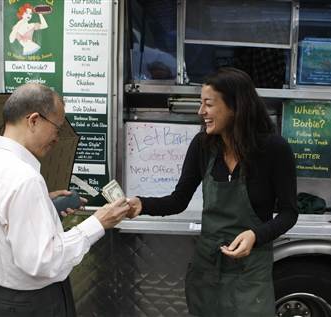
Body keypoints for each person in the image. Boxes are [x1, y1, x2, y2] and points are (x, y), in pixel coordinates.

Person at [127, 67, 298, 316]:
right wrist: (142, 204)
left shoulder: (274, 149)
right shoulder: (202, 146)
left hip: (250, 271)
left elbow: (289, 213)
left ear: (235, 106)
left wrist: (255, 235)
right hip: (207, 267)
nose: (201, 112)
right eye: (201, 104)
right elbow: (179, 200)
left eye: (208, 104)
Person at [0, 83, 130, 317]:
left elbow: (3, 222)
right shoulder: (24, 178)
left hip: (2, 298)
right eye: (57, 127)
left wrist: (43, 204)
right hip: (34, 303)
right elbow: (43, 261)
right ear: (33, 120)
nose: (57, 138)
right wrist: (98, 222)